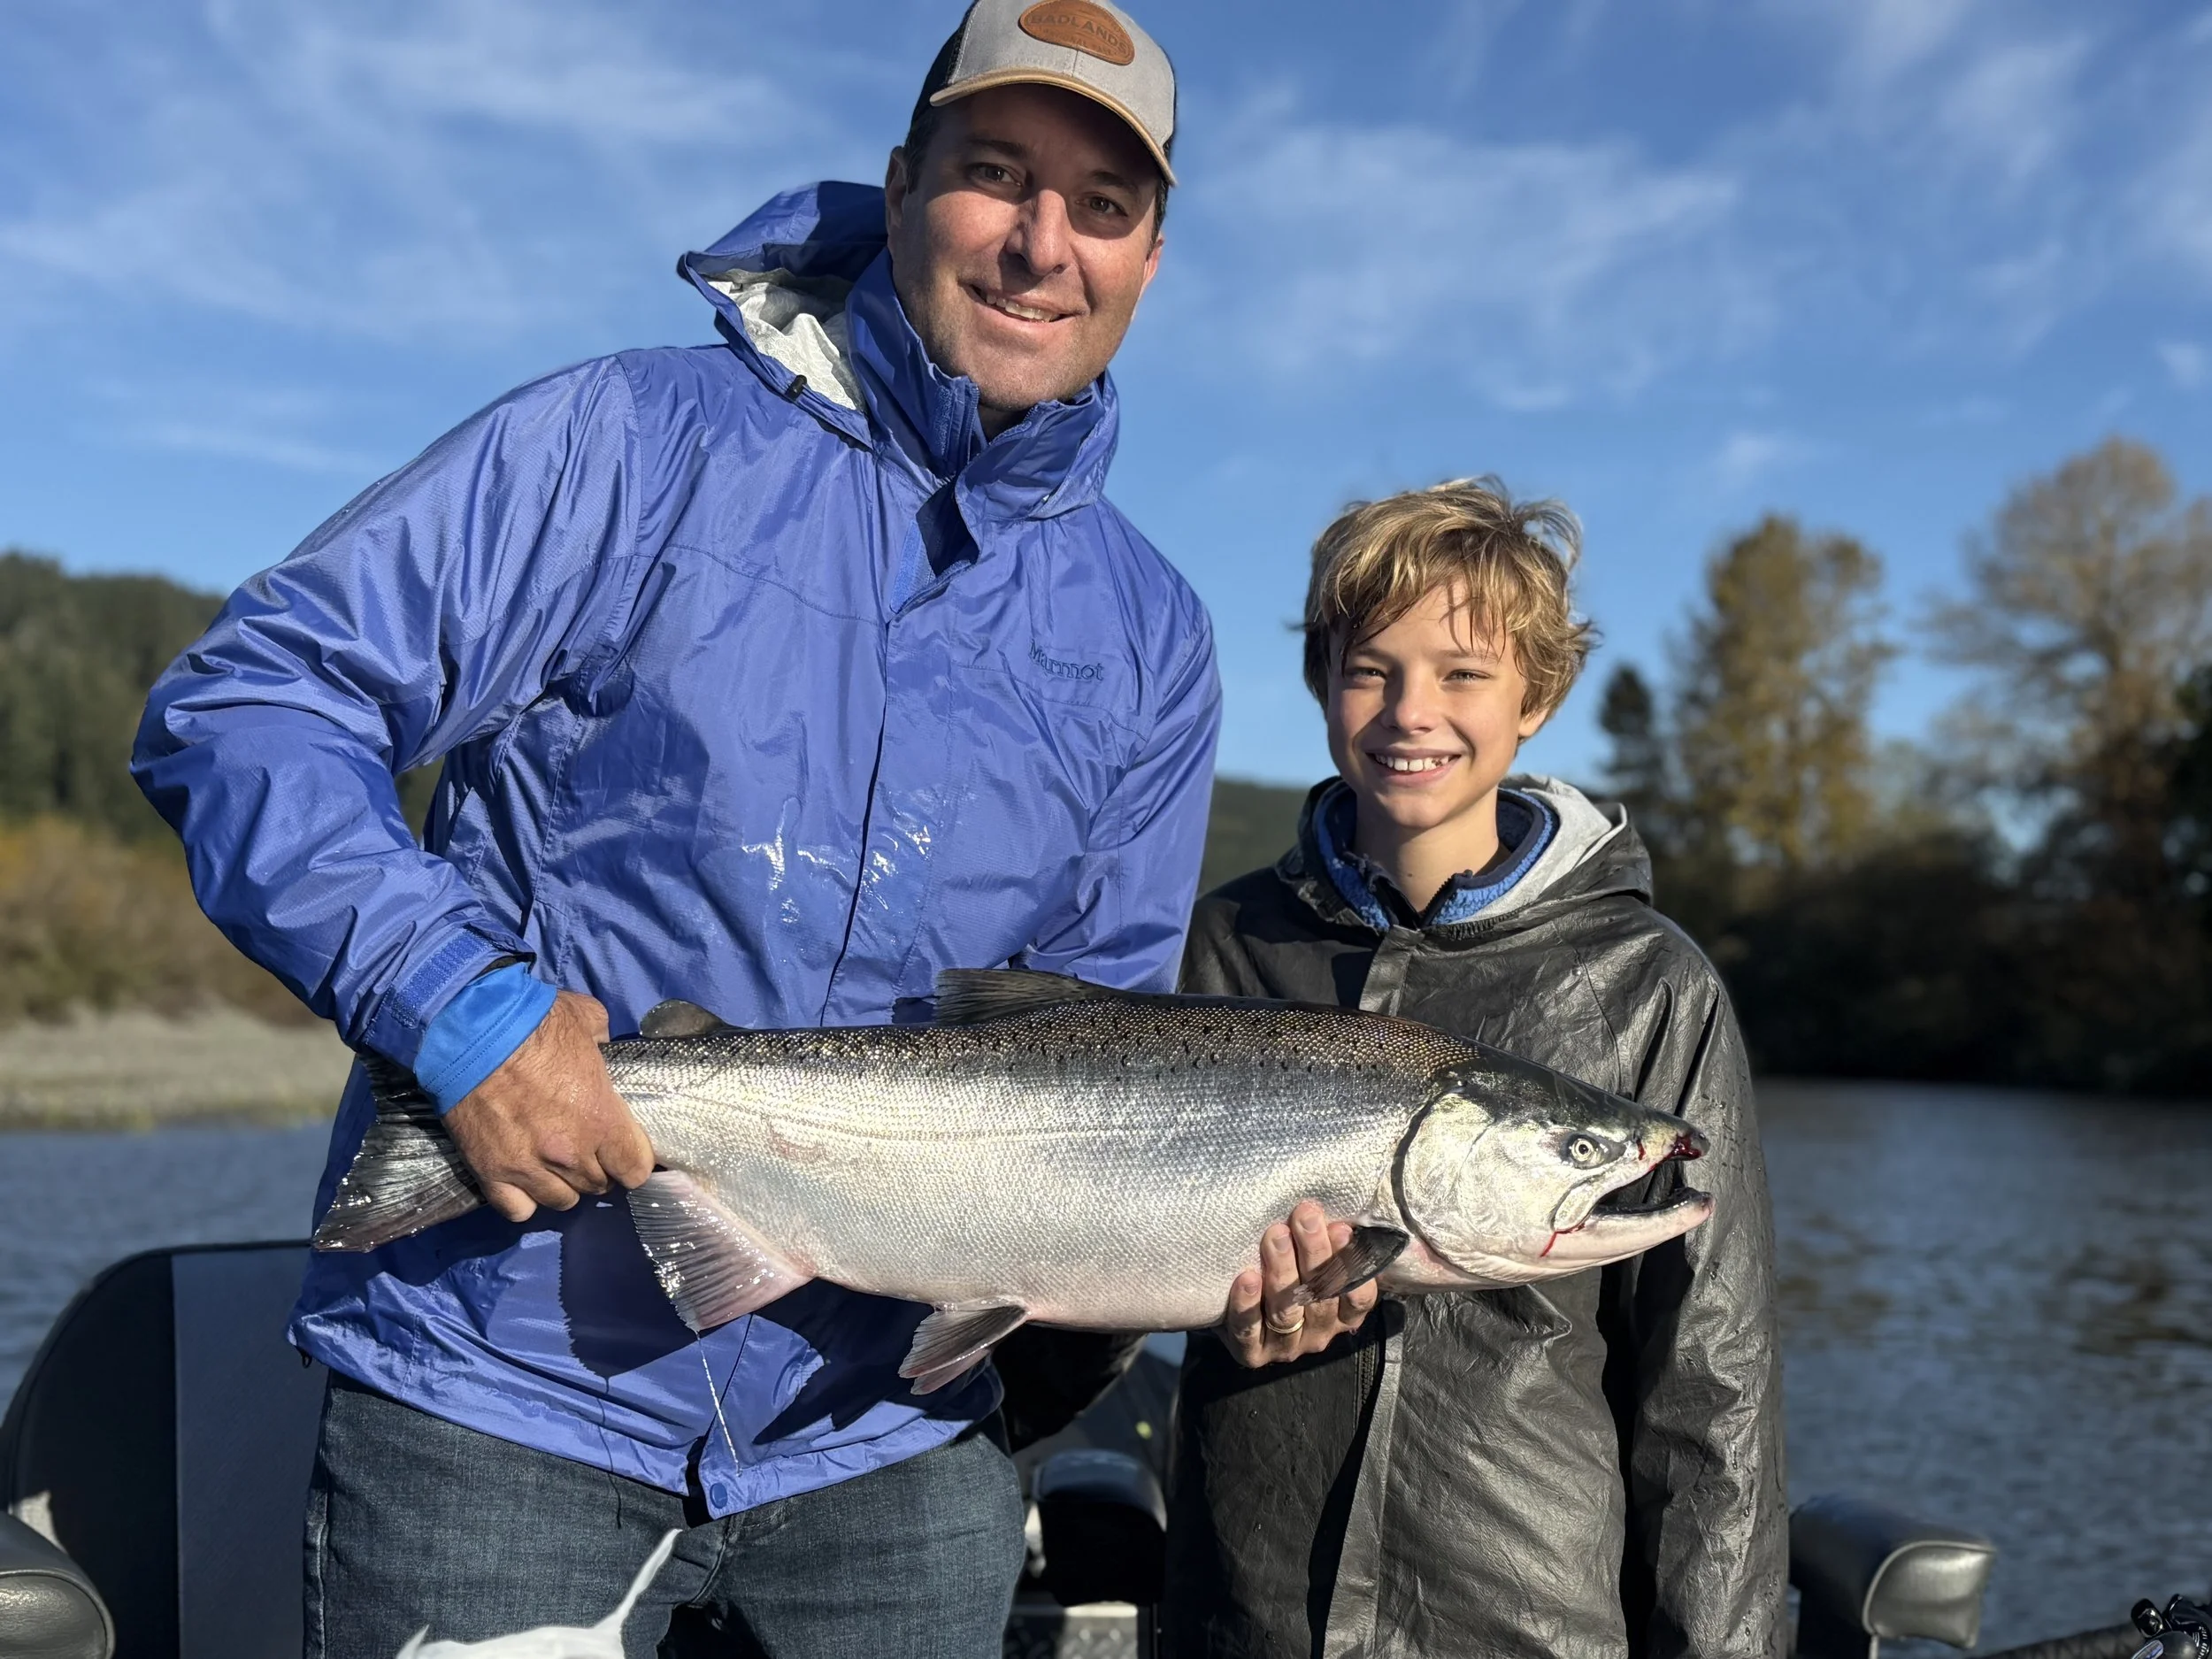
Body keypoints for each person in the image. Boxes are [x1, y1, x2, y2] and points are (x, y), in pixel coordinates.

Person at [129, 4, 1289, 1654]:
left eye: (1102, 205)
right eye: (996, 175)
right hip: (500, 1396)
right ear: (899, 189)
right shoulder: (626, 442)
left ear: (1152, 260)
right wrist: (459, 1017)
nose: (1043, 244)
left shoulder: (1157, 636)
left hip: (893, 1456)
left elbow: (1095, 1041)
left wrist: (1220, 1251)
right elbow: (250, 702)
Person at [1164, 480, 1788, 1659]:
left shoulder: (1654, 985)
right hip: (1245, 1609)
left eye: (1463, 673)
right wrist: (1225, 1316)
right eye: (1370, 668)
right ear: (1321, 685)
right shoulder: (1223, 942)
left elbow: (1713, 1393)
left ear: (1537, 698)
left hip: (1526, 1618)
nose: (1411, 711)